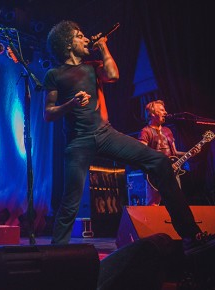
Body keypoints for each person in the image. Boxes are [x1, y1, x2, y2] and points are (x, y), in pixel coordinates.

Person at [42, 20, 214, 255]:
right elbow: (49, 113)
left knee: (160, 161)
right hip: (78, 142)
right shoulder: (55, 74)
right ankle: (56, 253)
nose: (85, 39)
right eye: (79, 36)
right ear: (66, 43)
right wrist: (71, 103)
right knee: (70, 199)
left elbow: (113, 74)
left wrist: (103, 46)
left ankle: (190, 235)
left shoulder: (93, 66)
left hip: (106, 133)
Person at [138, 100, 187, 205]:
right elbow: (142, 153)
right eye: (161, 110)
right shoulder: (145, 131)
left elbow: (175, 152)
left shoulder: (167, 131)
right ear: (152, 113)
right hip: (156, 173)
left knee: (177, 203)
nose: (165, 112)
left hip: (172, 171)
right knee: (154, 204)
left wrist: (190, 153)